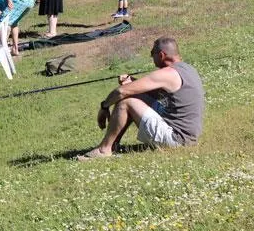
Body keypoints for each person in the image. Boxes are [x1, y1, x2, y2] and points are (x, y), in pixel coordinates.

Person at [76, 37, 205, 160]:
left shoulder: (167, 73)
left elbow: (121, 92)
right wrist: (132, 82)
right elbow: (157, 95)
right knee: (132, 94)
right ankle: (113, 145)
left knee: (126, 101)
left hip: (177, 139)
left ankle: (104, 150)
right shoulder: (188, 70)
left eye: (152, 53)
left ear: (161, 55)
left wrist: (104, 106)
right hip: (188, 138)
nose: (151, 57)